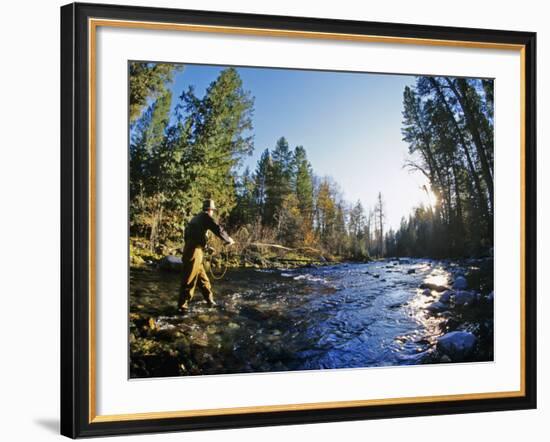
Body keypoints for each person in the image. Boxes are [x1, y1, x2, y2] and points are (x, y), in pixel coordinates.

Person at [177, 199, 234, 314]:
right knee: (189, 280)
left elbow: (193, 237)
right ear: (210, 210)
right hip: (194, 253)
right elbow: (217, 228)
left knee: (203, 279)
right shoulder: (205, 217)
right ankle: (182, 307)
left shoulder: (196, 218)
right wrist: (228, 240)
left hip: (193, 251)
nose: (212, 212)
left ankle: (210, 301)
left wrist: (206, 247)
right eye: (213, 210)